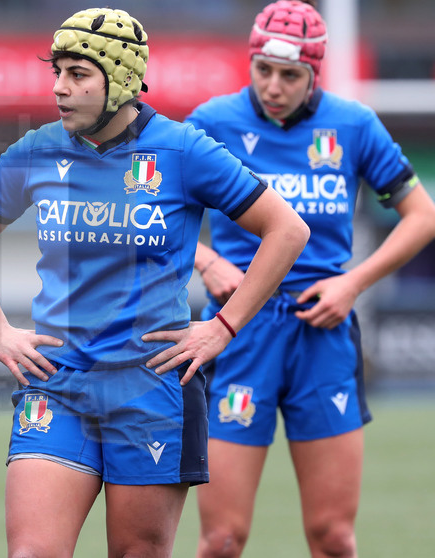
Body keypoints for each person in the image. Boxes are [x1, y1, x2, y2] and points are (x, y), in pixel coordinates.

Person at [0, 7, 308, 557]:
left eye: (78, 74)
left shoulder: (183, 150)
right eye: (57, 73)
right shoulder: (37, 150)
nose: (59, 88)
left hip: (152, 387)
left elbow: (287, 230)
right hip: (57, 382)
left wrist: (223, 327)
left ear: (120, 80)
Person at [186, 2, 435, 557]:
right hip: (236, 332)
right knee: (221, 540)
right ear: (250, 63)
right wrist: (205, 260)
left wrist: (353, 284)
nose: (274, 86)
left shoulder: (354, 125)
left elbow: (422, 216)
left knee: (334, 538)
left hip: (322, 336)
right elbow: (147, 215)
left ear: (314, 73)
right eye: (263, 70)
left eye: (290, 75)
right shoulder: (211, 123)